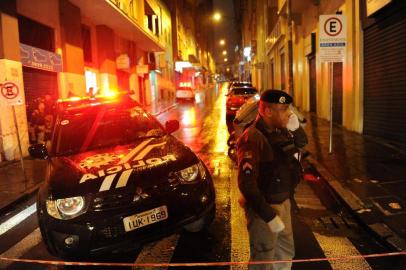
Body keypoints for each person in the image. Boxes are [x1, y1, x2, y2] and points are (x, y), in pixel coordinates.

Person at [237, 89, 307, 270]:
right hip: (264, 209)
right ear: (268, 111)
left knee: (285, 252)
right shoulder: (253, 138)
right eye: (283, 109)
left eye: (288, 108)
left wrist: (296, 129)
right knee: (263, 258)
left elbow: (300, 146)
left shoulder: (279, 130)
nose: (289, 112)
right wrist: (268, 216)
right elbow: (247, 184)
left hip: (283, 203)